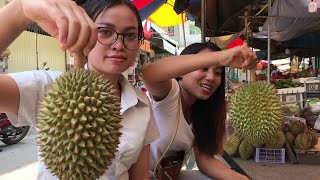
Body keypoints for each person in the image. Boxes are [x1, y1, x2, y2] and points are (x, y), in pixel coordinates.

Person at [0, 0, 159, 179]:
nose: (119, 44)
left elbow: (140, 176)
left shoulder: (142, 104)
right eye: (105, 32)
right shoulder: (48, 86)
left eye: (130, 35)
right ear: (85, 32)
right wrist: (20, 10)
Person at [142, 42, 258, 180]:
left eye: (217, 72)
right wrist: (220, 57)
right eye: (203, 68)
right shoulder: (170, 93)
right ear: (181, 73)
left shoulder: (203, 110)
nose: (211, 77)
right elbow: (149, 73)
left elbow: (205, 160)